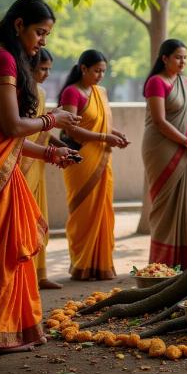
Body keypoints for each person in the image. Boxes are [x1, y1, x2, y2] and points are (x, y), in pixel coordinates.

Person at [0, 0, 80, 353]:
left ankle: (6, 329)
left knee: (6, 250)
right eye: (40, 32)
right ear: (18, 25)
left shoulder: (3, 57)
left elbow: (7, 137)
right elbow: (13, 125)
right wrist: (53, 120)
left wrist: (50, 151)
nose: (43, 41)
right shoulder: (1, 59)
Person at [59, 50, 129, 280]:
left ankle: (100, 265)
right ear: (83, 69)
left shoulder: (101, 92)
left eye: (103, 71)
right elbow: (70, 129)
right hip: (81, 160)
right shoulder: (72, 92)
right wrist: (104, 138)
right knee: (83, 212)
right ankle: (81, 265)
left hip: (102, 157)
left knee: (103, 210)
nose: (100, 75)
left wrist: (116, 135)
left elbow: (103, 126)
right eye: (96, 71)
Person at [141, 39, 187, 268]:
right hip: (161, 148)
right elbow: (159, 122)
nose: (182, 62)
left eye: (185, 57)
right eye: (178, 57)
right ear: (164, 58)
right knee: (165, 207)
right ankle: (162, 265)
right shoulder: (156, 83)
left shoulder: (186, 82)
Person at [20, 48, 66, 289]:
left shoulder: (40, 91)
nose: (47, 73)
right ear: (29, 68)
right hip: (23, 164)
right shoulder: (25, 92)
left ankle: (40, 274)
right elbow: (20, 131)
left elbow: (44, 131)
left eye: (49, 69)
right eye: (42, 69)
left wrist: (61, 147)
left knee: (39, 218)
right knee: (25, 221)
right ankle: (25, 275)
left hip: (37, 163)